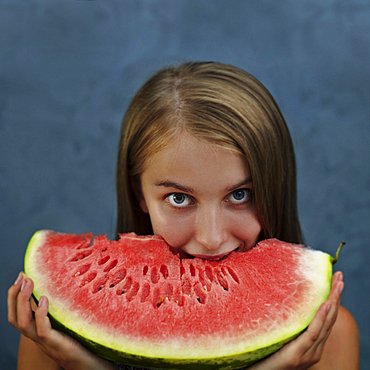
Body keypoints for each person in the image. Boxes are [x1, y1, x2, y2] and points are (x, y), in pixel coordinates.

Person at [8, 61, 359, 369]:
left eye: (240, 195)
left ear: (274, 186)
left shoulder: (328, 336)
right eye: (178, 198)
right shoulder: (53, 333)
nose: (211, 237)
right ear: (139, 195)